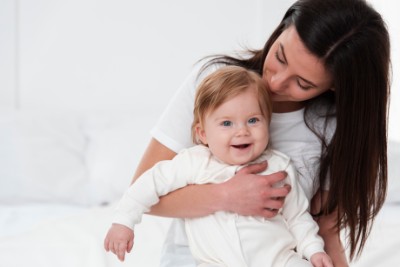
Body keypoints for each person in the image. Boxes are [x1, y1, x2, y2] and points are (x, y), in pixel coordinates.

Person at [125, 0, 391, 266]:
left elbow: (324, 232)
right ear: (282, 27)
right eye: (280, 57)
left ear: (334, 86)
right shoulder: (214, 83)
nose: (274, 82)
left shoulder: (333, 126)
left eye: (303, 83)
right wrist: (227, 196)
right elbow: (144, 193)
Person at [104, 66, 333, 267]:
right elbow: (148, 184)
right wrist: (124, 222)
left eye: (253, 120)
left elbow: (297, 217)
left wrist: (313, 250)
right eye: (226, 123)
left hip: (278, 260)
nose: (242, 131)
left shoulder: (278, 166)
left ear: (267, 123)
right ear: (202, 133)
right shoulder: (194, 162)